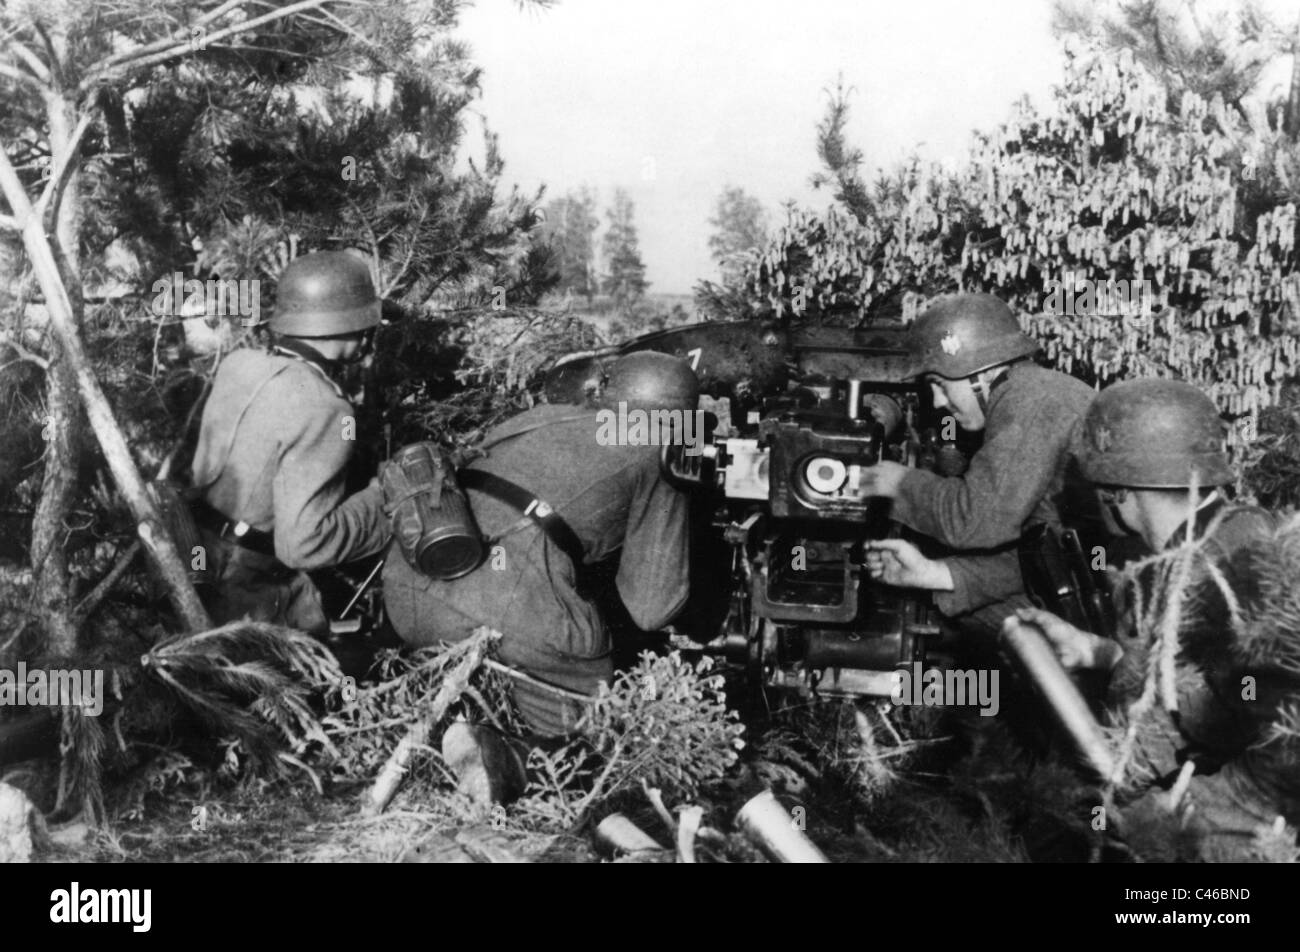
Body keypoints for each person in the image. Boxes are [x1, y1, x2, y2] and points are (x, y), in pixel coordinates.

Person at [1007, 377, 1298, 861]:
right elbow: (1195, 670)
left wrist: (1108, 794)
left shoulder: (1212, 573)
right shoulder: (1231, 532)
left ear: (1117, 493)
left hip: (1247, 809)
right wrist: (1096, 651)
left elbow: (1214, 710)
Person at [383, 351, 700, 744]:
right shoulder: (657, 448)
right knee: (588, 737)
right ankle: (516, 762)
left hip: (409, 587)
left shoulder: (541, 415)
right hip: (504, 611)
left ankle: (462, 728)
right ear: (679, 417)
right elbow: (652, 608)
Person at [860, 292, 1097, 642]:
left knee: (954, 638)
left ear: (980, 371)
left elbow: (975, 521)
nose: (939, 403)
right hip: (1101, 578)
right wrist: (935, 573)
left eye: (939, 385)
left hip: (1118, 599)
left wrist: (898, 483)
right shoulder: (1033, 394)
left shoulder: (1030, 402)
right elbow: (1043, 548)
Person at [189, 251, 390, 636]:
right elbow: (304, 546)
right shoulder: (327, 408)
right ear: (353, 325)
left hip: (193, 562)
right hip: (246, 596)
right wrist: (383, 500)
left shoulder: (240, 363)